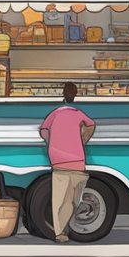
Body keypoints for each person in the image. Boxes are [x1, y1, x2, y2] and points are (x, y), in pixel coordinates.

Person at [38, 82, 96, 243]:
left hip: (59, 161)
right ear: (75, 95)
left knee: (60, 199)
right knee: (72, 200)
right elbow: (91, 124)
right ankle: (66, 227)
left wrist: (52, 143)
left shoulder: (55, 113)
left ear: (62, 94)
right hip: (78, 161)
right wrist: (83, 138)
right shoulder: (78, 114)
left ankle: (60, 233)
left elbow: (43, 130)